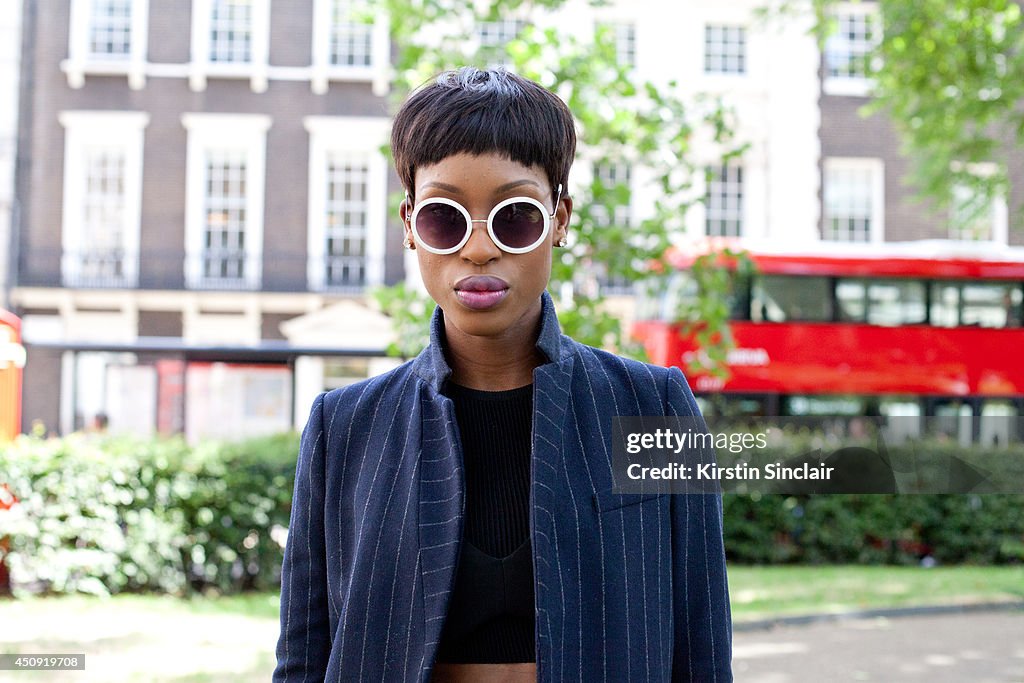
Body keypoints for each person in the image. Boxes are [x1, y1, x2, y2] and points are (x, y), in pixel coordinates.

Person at [274, 67, 732, 682]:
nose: (481, 248)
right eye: (445, 218)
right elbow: (304, 658)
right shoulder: (345, 428)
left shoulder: (654, 407)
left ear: (559, 219)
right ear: (411, 226)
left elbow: (700, 649)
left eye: (514, 216)